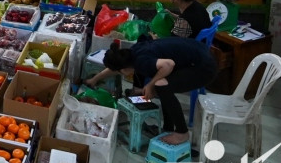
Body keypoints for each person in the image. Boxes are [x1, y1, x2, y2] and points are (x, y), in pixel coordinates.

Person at [85, 38, 217, 145]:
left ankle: (182, 133)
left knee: (161, 85)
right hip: (199, 55)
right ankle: (168, 128)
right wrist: (95, 79)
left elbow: (168, 65)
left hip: (204, 68)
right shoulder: (130, 54)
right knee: (161, 85)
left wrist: (151, 85)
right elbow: (115, 68)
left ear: (123, 70)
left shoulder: (141, 62)